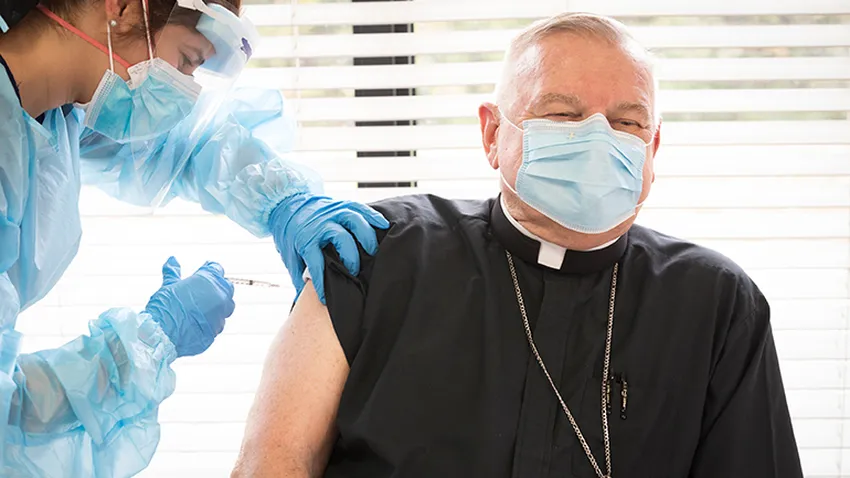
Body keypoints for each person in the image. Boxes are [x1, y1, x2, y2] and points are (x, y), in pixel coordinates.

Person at [232, 12, 804, 478]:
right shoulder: (375, 251)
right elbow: (273, 463)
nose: (597, 139)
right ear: (492, 133)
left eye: (627, 123)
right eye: (562, 114)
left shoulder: (717, 304)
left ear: (653, 147)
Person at [0, 0, 388, 476]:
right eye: (186, 61)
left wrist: (286, 202)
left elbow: (186, 143)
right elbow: (6, 425)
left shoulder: (54, 110)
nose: (183, 92)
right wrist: (145, 346)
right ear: (122, 7)